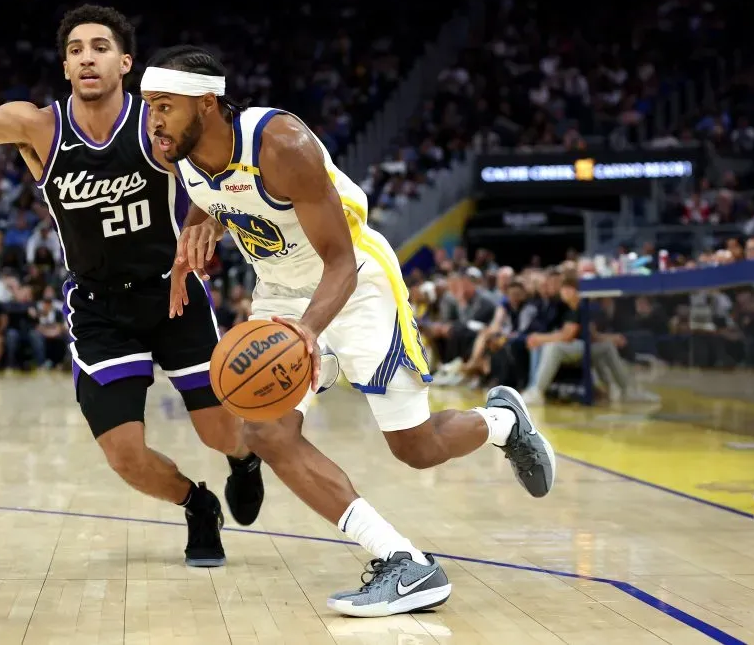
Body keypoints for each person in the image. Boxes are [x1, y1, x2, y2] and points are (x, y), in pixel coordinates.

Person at [141, 45, 557, 617]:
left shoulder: (282, 145)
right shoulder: (178, 154)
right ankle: (402, 561)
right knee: (265, 434)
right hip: (281, 294)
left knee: (415, 447)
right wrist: (198, 224)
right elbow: (213, 192)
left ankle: (502, 422)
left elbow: (340, 261)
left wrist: (307, 333)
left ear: (207, 105)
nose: (153, 119)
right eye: (149, 106)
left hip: (355, 284)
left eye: (165, 105)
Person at [0, 5, 265, 567]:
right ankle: (197, 503)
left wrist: (203, 218)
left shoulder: (157, 124)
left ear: (125, 63)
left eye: (101, 47)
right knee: (124, 454)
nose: (89, 56)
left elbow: (224, 167)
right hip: (99, 308)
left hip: (172, 294)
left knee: (219, 433)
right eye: (78, 48)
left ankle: (244, 459)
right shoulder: (39, 126)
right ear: (65, 66)